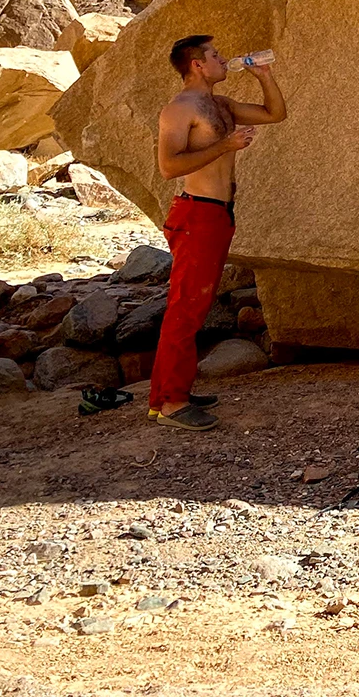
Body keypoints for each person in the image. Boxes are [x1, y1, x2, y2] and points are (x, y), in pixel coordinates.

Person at [148, 35, 287, 431]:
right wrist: (226, 145)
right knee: (186, 308)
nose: (224, 60)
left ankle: (167, 395)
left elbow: (275, 113)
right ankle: (172, 403)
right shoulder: (179, 109)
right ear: (197, 64)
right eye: (215, 55)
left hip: (219, 213)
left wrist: (264, 76)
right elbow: (169, 167)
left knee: (194, 305)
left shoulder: (220, 104)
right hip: (196, 214)